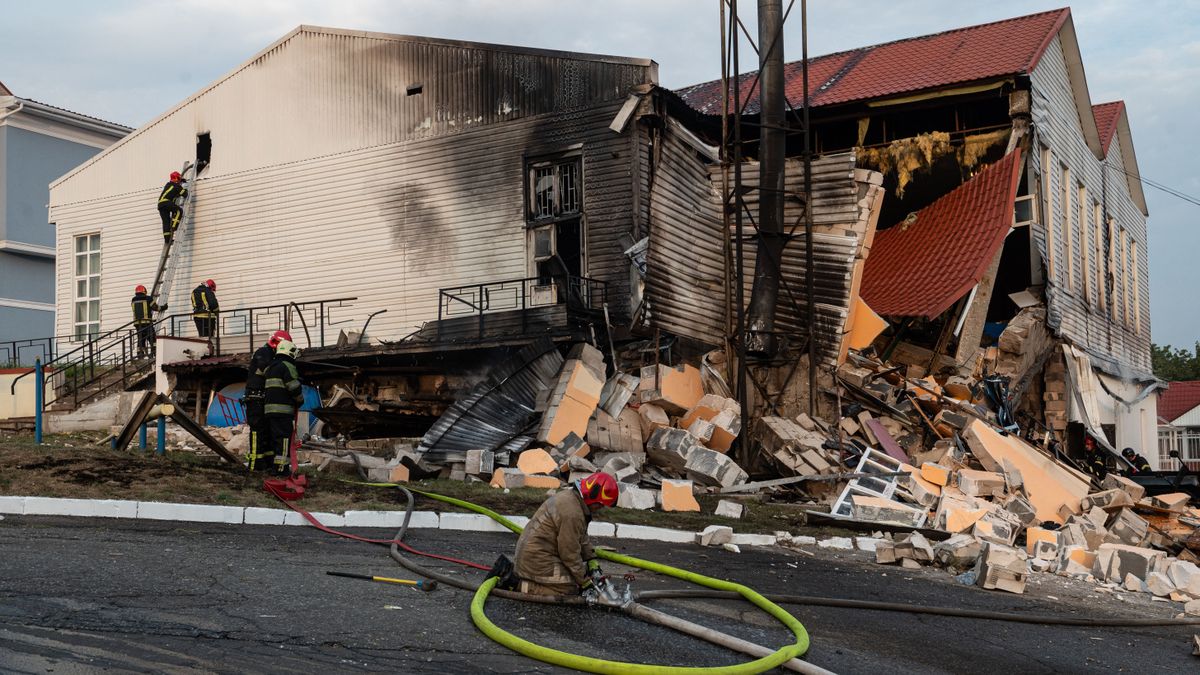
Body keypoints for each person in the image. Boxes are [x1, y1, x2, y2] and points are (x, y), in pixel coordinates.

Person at [512, 472, 618, 596]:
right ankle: (519, 585)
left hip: (536, 554)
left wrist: (590, 559)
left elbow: (580, 535)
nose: (600, 508)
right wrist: (584, 581)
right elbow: (569, 553)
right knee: (571, 588)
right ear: (592, 497)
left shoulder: (573, 499)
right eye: (600, 504)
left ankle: (531, 580)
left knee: (575, 576)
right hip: (536, 560)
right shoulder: (573, 513)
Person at [244, 329, 292, 472]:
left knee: (269, 432)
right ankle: (255, 464)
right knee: (257, 431)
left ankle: (268, 463)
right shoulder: (263, 352)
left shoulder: (273, 355)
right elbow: (268, 371)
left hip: (264, 399)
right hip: (256, 399)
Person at [262, 339, 304, 476]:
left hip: (269, 411)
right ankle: (281, 469)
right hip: (283, 411)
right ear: (289, 352)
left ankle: (274, 467)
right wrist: (300, 401)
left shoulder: (270, 367)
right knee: (284, 439)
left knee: (274, 439)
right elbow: (294, 387)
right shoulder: (287, 366)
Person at [130, 284, 163, 357]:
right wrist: (163, 307)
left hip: (138, 324)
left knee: (141, 339)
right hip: (147, 323)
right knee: (152, 338)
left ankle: (140, 354)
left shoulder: (133, 300)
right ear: (144, 291)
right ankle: (154, 351)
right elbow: (155, 307)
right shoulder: (148, 298)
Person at [157, 171, 188, 240]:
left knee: (166, 221)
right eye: (178, 178)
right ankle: (174, 226)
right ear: (175, 178)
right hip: (166, 202)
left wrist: (181, 182)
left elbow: (173, 193)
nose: (179, 180)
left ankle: (167, 239)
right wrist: (185, 189)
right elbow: (185, 194)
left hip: (160, 204)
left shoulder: (168, 185)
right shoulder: (176, 185)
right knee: (179, 211)